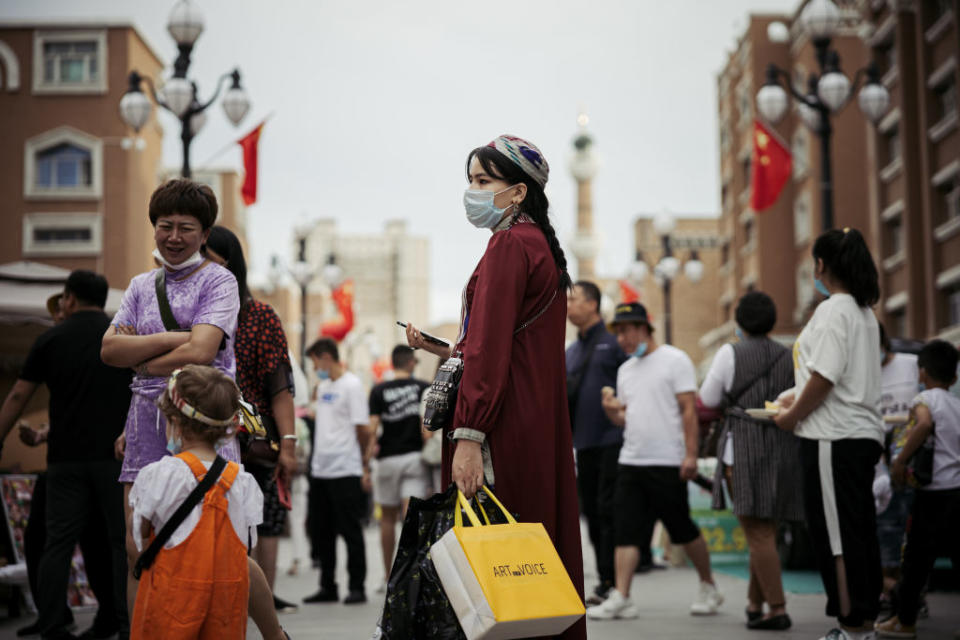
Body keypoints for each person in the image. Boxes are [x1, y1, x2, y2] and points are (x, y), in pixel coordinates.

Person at [405, 134, 585, 640]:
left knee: (497, 564)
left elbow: (487, 351)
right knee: (531, 558)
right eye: (471, 180)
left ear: (518, 191)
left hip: (501, 424)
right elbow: (500, 344)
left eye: (484, 181)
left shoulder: (509, 244)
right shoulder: (539, 245)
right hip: (533, 420)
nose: (473, 191)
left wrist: (469, 435)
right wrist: (450, 352)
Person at [100, 179, 287, 640]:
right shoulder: (142, 286)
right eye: (166, 226)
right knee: (137, 548)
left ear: (205, 234)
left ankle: (273, 634)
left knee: (230, 549)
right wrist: (172, 340)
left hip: (207, 422)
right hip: (145, 424)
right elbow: (107, 350)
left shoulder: (219, 280)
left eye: (187, 228)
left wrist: (139, 356)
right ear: (154, 228)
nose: (174, 237)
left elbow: (204, 350)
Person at [0, 270, 131, 640]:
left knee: (58, 542)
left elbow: (17, 396)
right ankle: (125, 623)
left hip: (65, 461)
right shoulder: (122, 339)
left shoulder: (50, 339)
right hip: (115, 460)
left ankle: (54, 623)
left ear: (69, 298)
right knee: (120, 543)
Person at [774, 227, 884, 640]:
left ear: (821, 265)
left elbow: (825, 377)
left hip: (831, 438)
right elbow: (830, 375)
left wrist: (792, 415)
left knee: (837, 535)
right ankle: (864, 623)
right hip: (858, 434)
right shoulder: (862, 312)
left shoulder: (834, 309)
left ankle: (852, 627)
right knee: (858, 530)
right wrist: (791, 398)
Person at [588, 302, 723, 621]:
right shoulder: (625, 371)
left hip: (667, 460)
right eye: (618, 332)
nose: (622, 339)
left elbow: (689, 410)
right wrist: (611, 411)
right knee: (625, 530)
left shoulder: (675, 361)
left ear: (644, 328)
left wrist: (690, 454)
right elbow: (626, 418)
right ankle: (622, 595)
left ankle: (709, 586)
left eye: (626, 331)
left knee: (682, 530)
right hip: (631, 460)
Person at [204, 225, 299, 614]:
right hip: (196, 439)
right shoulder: (184, 311)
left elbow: (280, 386)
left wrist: (289, 444)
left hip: (254, 442)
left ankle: (261, 610)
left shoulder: (259, 315)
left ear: (228, 262)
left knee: (264, 523)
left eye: (206, 254)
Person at [128, 365, 262, 638]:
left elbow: (138, 540)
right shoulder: (242, 482)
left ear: (175, 423)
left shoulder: (159, 477)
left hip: (169, 615)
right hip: (225, 618)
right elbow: (246, 551)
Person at [699, 291, 801, 630]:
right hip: (782, 445)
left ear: (740, 322)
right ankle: (755, 605)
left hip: (741, 447)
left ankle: (777, 607)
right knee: (766, 530)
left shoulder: (730, 352)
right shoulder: (787, 355)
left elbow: (708, 398)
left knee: (756, 533)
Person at [877, 340, 960, 638]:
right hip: (956, 490)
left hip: (933, 493)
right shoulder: (956, 403)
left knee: (915, 561)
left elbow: (923, 425)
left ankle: (905, 620)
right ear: (954, 378)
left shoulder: (924, 398)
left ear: (921, 373)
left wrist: (901, 460)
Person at [565, 280, 629, 605]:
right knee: (590, 511)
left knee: (608, 512)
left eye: (573, 299)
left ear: (592, 304)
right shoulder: (571, 351)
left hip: (613, 440)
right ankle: (606, 582)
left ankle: (616, 585)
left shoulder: (613, 344)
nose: (567, 305)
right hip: (583, 444)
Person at [302, 338, 372, 605]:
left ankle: (357, 587)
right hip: (321, 470)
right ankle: (327, 586)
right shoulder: (322, 387)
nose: (313, 367)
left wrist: (364, 465)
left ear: (325, 357)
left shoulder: (352, 385)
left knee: (351, 530)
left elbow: (362, 429)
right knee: (323, 532)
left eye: (314, 362)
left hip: (346, 469)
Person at [367, 345, 430, 586]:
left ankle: (387, 575)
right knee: (410, 516)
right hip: (414, 457)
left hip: (387, 461)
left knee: (387, 519)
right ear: (411, 363)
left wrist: (365, 464)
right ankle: (411, 574)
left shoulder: (379, 390)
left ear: (393, 363)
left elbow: (373, 430)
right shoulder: (423, 388)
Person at [874, 323, 920, 611]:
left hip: (915, 459)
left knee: (912, 532)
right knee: (885, 529)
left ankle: (911, 593)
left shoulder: (912, 365)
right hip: (880, 463)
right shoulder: (864, 375)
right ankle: (891, 592)